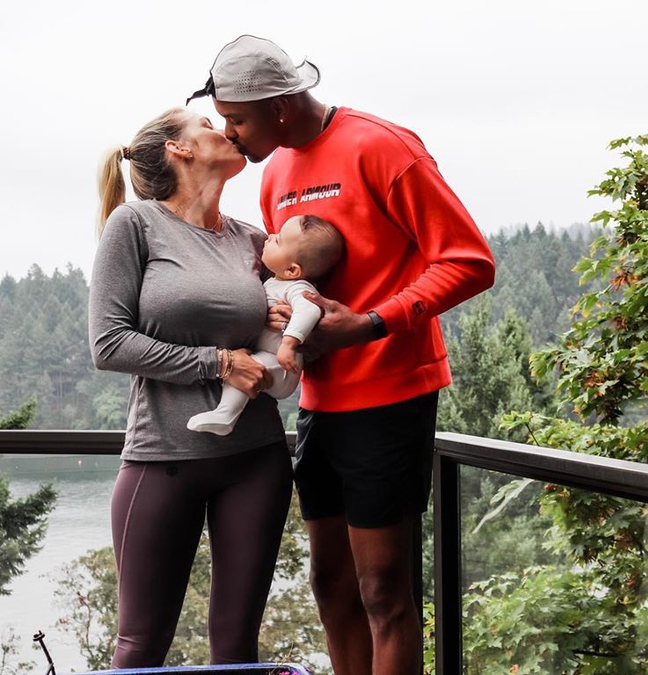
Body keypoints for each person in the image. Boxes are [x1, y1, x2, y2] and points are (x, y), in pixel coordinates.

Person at [188, 35, 496, 675]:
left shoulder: (382, 147)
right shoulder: (275, 172)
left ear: (279, 106)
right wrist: (277, 313)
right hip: (319, 403)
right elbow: (288, 278)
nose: (229, 133)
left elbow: (470, 262)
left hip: (391, 394)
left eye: (237, 119)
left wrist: (372, 323)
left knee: (384, 590)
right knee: (331, 582)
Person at [89, 107, 293, 668]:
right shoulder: (135, 224)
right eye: (206, 124)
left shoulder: (252, 240)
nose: (224, 130)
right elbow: (109, 344)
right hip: (164, 459)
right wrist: (217, 363)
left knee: (237, 646)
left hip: (257, 459)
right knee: (140, 645)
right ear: (178, 150)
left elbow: (285, 321)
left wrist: (284, 315)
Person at [188, 213, 345, 435]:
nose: (269, 236)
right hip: (270, 356)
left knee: (244, 367)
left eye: (278, 240)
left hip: (281, 365)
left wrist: (289, 344)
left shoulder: (298, 288)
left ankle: (225, 415)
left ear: (292, 270)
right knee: (245, 365)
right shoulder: (275, 282)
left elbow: (309, 310)